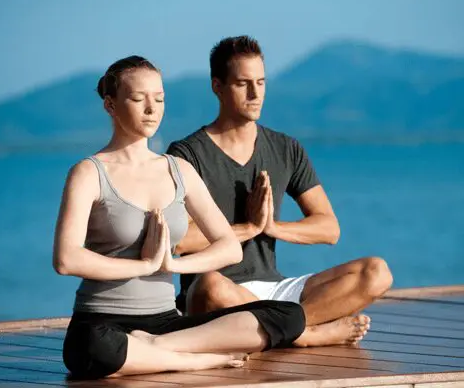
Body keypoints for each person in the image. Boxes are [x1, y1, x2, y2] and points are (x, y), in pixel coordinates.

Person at [53, 55, 316, 380]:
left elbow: (229, 248)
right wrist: (144, 266)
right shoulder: (89, 173)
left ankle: (156, 348)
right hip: (102, 322)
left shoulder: (179, 171)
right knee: (92, 345)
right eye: (138, 99)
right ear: (110, 105)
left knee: (288, 316)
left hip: (166, 322)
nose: (152, 109)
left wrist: (173, 265)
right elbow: (66, 259)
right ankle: (193, 360)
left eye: (159, 99)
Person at [167, 36, 392, 347]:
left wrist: (273, 227)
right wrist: (247, 229)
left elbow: (329, 228)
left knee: (376, 272)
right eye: (243, 83)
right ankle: (304, 333)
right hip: (217, 292)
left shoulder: (286, 148)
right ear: (217, 87)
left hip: (276, 291)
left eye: (261, 82)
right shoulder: (186, 155)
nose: (255, 93)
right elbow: (176, 241)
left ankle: (285, 329)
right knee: (211, 287)